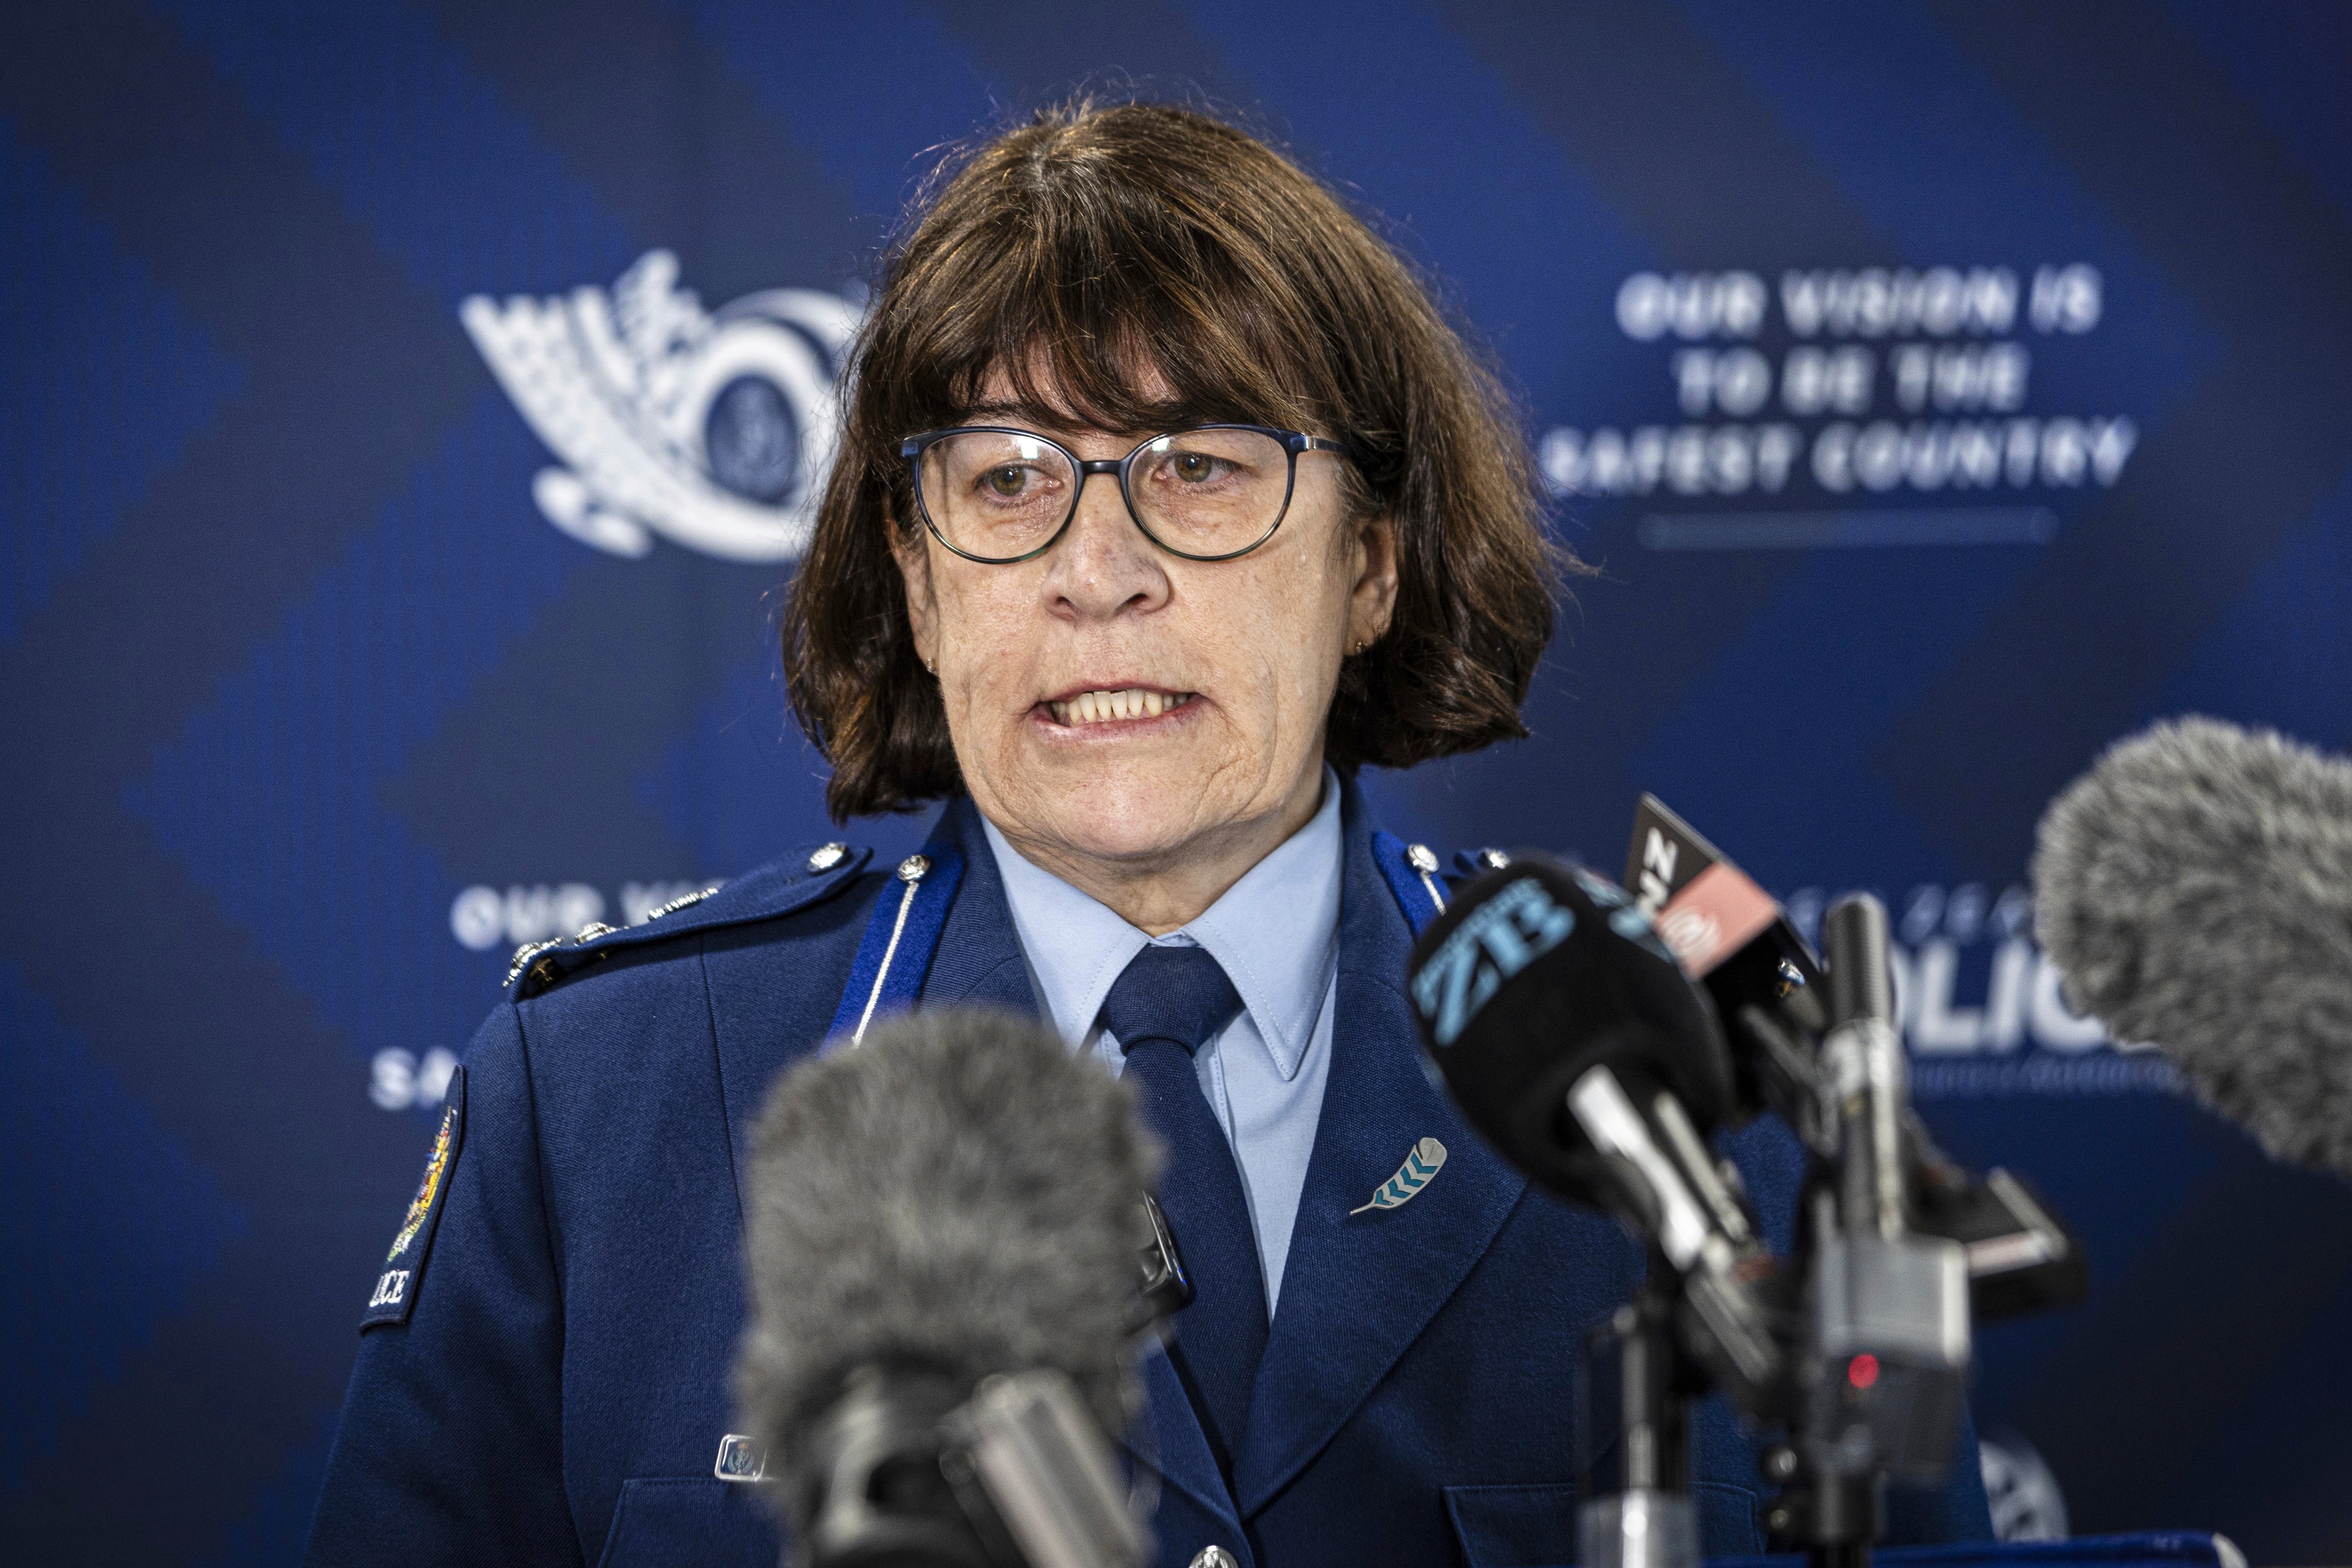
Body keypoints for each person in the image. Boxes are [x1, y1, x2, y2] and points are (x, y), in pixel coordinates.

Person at [304, 100, 1991, 1567]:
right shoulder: (599, 1100)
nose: (1093, 568)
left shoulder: (1701, 1080)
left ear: (1370, 564)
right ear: (915, 572)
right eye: (1005, 475)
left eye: (1195, 468)